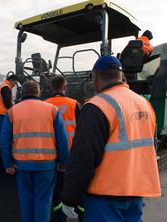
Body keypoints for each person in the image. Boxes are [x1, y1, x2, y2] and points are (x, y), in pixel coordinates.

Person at [62, 55, 161, 221]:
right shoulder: (144, 103)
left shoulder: (97, 106)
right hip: (136, 191)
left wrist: (69, 198)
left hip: (105, 196)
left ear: (95, 77)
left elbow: (83, 158)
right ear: (121, 76)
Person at [0, 81, 69, 222]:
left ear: (22, 93)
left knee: (26, 200)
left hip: (22, 164)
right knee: (43, 201)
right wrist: (63, 161)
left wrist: (8, 163)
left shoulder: (12, 111)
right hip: (47, 165)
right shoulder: (52, 109)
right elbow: (62, 138)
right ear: (39, 93)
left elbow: (5, 140)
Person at [45, 76, 82, 221]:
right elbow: (81, 129)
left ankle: (58, 215)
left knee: (56, 187)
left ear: (51, 88)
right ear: (65, 87)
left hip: (51, 152)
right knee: (74, 184)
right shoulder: (74, 104)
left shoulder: (45, 104)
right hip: (72, 153)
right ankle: (78, 212)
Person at [0, 75, 19, 156]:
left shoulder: (2, 86)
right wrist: (16, 110)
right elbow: (7, 103)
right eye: (15, 83)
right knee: (1, 132)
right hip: (0, 112)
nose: (14, 85)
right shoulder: (6, 87)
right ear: (12, 80)